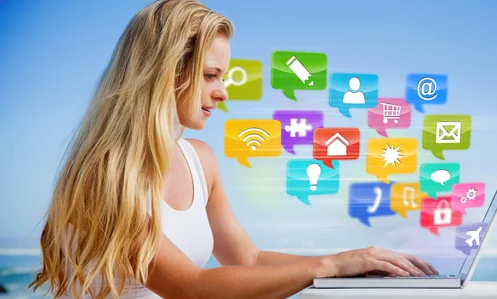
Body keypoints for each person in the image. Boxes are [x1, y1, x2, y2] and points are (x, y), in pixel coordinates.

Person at [29, 0, 438, 298]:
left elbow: (248, 259)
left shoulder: (200, 160)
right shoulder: (104, 174)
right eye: (210, 75)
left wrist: (354, 262)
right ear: (160, 75)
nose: (222, 91)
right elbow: (190, 288)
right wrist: (329, 266)